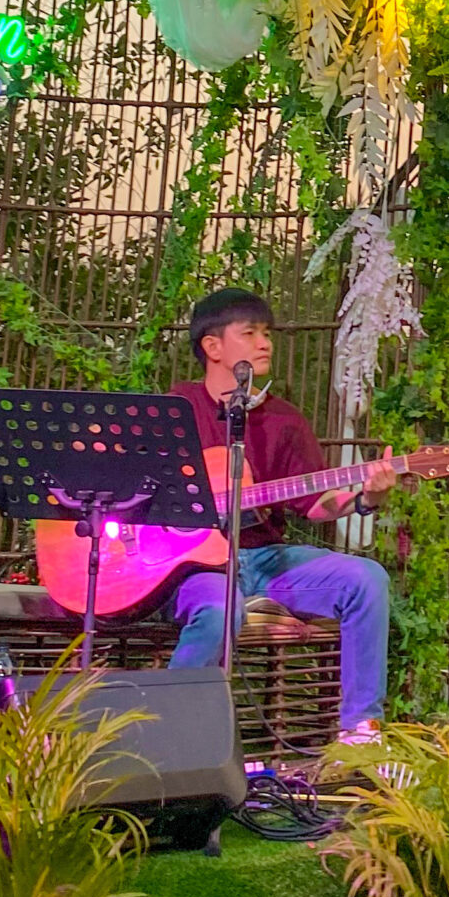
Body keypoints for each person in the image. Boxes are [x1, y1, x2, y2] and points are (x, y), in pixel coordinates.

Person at [166, 287, 396, 745]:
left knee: (366, 579)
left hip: (265, 560)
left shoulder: (284, 420)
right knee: (219, 612)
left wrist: (366, 498)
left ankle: (360, 732)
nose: (265, 343)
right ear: (212, 346)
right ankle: (166, 734)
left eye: (267, 333)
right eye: (250, 333)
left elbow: (314, 503)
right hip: (191, 565)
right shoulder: (176, 409)